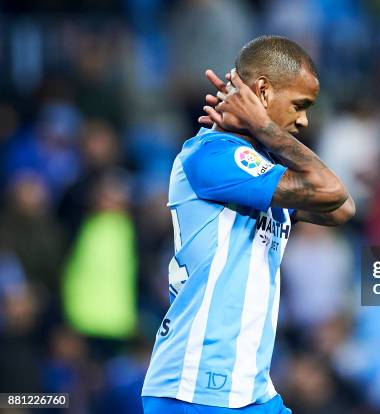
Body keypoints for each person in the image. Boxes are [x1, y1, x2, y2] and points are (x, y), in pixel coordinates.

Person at [141, 35, 355, 414]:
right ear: (263, 91)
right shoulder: (212, 154)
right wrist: (264, 126)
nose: (304, 119)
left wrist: (264, 136)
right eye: (300, 105)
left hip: (249, 389)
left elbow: (342, 207)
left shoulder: (260, 168)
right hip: (196, 388)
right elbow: (329, 188)